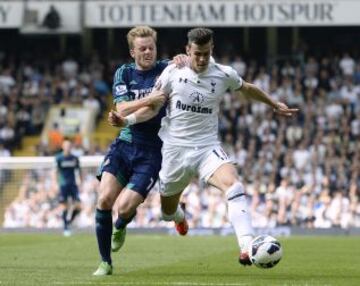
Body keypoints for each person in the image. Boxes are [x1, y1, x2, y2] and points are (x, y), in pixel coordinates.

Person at [111, 27, 298, 266]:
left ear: (212, 51)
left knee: (233, 184)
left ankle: (247, 245)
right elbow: (153, 107)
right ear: (188, 50)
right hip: (174, 152)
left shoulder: (223, 73)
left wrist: (274, 104)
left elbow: (248, 88)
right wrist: (127, 120)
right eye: (197, 53)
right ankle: (178, 214)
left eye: (206, 54)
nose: (201, 59)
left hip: (206, 148)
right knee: (166, 212)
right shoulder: (172, 72)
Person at [93, 25, 187, 276]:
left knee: (123, 208)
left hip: (153, 151)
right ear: (132, 52)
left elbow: (194, 66)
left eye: (151, 47)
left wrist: (185, 58)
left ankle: (121, 224)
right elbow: (122, 109)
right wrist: (150, 99)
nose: (148, 52)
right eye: (142, 49)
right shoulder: (123, 72)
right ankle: (105, 262)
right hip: (125, 144)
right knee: (103, 199)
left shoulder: (167, 69)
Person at [55, 139, 82, 237]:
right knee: (64, 206)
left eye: (69, 145)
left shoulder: (75, 158)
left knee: (79, 206)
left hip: (73, 184)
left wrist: (80, 181)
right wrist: (55, 183)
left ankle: (69, 221)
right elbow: (56, 171)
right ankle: (66, 228)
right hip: (63, 185)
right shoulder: (59, 158)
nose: (68, 147)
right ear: (63, 146)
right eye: (66, 145)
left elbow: (79, 170)